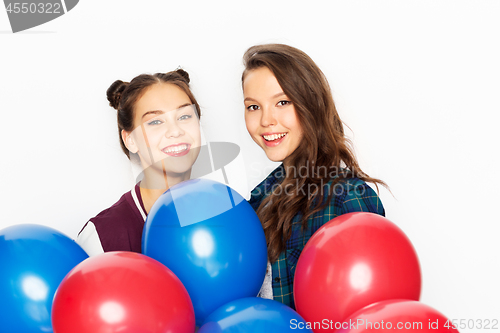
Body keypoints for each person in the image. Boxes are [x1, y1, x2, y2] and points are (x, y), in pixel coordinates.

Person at [242, 44, 387, 309]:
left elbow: (371, 314)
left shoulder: (347, 198)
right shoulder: (257, 198)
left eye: (282, 102)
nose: (266, 120)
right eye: (253, 107)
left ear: (311, 103)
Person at [77, 69, 202, 256]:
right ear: (130, 140)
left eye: (184, 116)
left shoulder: (228, 212)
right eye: (155, 122)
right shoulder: (102, 238)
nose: (175, 131)